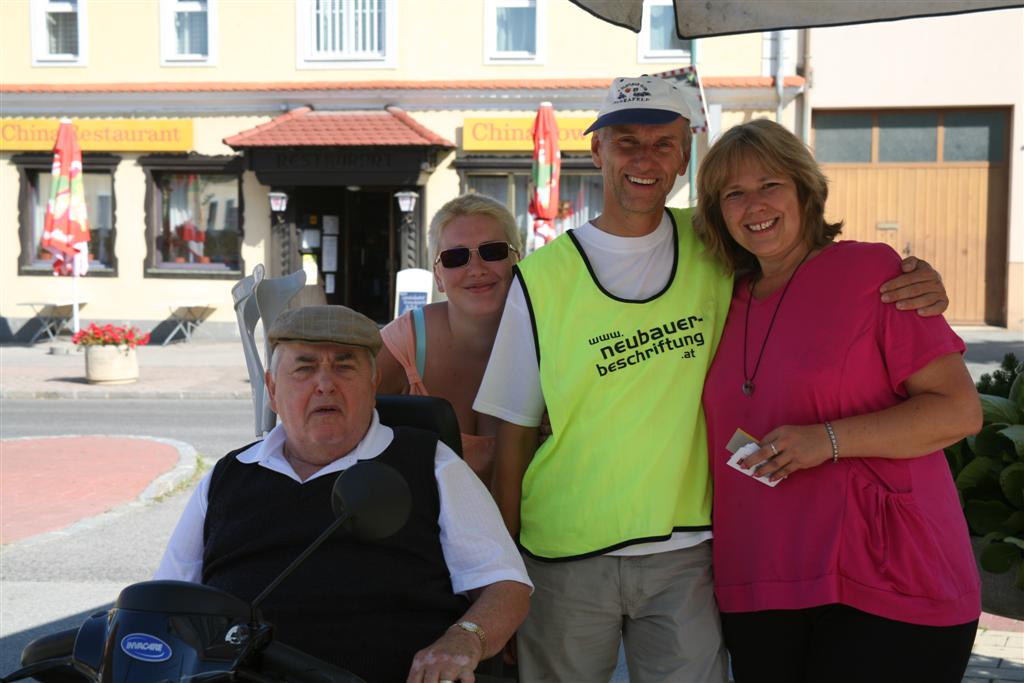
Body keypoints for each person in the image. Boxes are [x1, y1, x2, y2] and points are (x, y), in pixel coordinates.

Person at [475, 75, 951, 682]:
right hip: (565, 555)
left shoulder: (719, 250)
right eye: (626, 142)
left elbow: (810, 261)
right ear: (596, 151)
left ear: (684, 156)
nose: (644, 159)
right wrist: (505, 574)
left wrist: (919, 279)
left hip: (690, 553)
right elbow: (510, 433)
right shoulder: (541, 278)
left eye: (663, 143)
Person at [696, 119, 982, 683]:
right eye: (733, 193)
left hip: (886, 574)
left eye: (770, 184)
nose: (754, 204)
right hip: (760, 578)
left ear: (805, 190)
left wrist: (827, 440)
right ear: (716, 212)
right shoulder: (715, 297)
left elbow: (958, 409)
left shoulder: (870, 272)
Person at [155, 305, 532, 683]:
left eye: (344, 366)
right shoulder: (227, 477)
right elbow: (164, 603)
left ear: (373, 382)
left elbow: (506, 587)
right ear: (271, 389)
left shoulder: (429, 462)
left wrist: (464, 640)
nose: (324, 384)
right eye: (304, 368)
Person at [378, 194, 522, 486]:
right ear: (438, 276)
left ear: (517, 261)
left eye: (492, 251)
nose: (477, 268)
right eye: (456, 257)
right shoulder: (403, 345)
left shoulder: (550, 340)